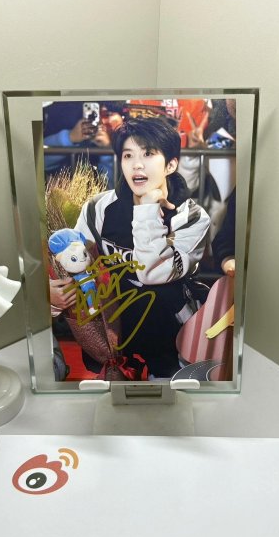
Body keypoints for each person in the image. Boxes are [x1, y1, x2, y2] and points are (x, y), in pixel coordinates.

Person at [67, 117, 211, 378]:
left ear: (170, 165)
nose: (136, 164)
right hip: (115, 322)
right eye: (128, 155)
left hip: (170, 329)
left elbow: (152, 273)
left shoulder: (192, 217)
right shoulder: (98, 208)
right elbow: (77, 263)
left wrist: (147, 210)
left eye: (148, 154)